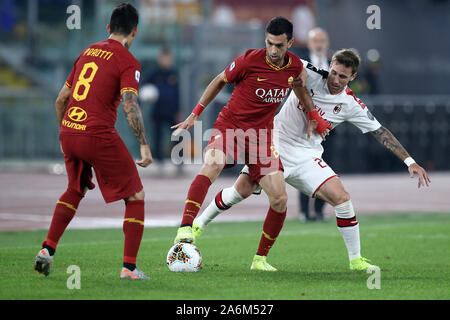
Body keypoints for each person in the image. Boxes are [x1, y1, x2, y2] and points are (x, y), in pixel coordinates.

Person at [192, 49, 431, 271]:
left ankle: (355, 260)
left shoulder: (351, 104)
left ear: (353, 77)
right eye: (334, 72)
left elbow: (380, 132)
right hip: (274, 143)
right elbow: (294, 73)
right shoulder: (312, 72)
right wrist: (312, 113)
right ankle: (198, 224)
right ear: (330, 66)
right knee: (241, 191)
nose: (335, 80)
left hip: (307, 156)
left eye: (343, 77)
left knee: (342, 198)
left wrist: (410, 161)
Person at [171, 16, 331, 271]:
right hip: (231, 127)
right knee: (212, 166)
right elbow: (219, 80)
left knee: (279, 198)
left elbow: (299, 87)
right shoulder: (248, 60)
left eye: (279, 45)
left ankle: (259, 260)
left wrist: (312, 114)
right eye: (269, 44)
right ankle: (185, 228)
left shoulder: (295, 66)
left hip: (262, 137)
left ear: (290, 42)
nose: (273, 50)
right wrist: (194, 114)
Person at [34, 3, 153, 280]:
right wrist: (144, 144)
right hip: (96, 133)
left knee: (74, 190)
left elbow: (61, 99)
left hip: (69, 129)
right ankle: (129, 268)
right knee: (136, 195)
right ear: (134, 32)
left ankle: (47, 250)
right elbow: (129, 104)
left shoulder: (86, 52)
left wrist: (67, 136)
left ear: (108, 28)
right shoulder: (127, 60)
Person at [298, 27, 331, 222]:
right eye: (315, 40)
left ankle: (319, 210)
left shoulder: (335, 63)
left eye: (322, 40)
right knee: (304, 166)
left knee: (325, 166)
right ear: (309, 44)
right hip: (304, 124)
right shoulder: (301, 63)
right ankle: (304, 212)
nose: (319, 44)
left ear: (327, 43)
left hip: (327, 124)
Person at [143, 47, 182, 164]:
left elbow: (178, 94)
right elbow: (143, 88)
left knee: (177, 135)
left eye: (168, 58)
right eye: (163, 58)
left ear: (171, 59)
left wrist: (178, 110)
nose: (165, 60)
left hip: (171, 111)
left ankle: (178, 160)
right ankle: (159, 161)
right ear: (159, 59)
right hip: (158, 111)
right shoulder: (154, 74)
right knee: (157, 136)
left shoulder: (174, 73)